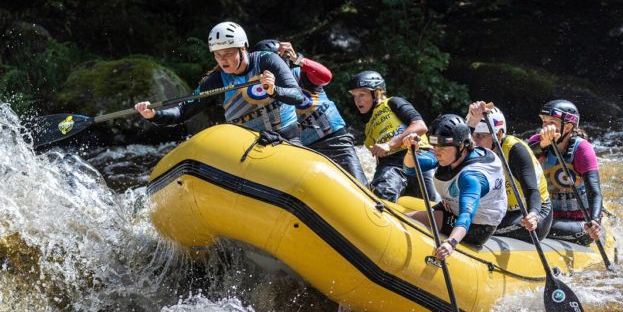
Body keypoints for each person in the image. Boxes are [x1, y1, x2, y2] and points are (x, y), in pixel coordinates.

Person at [135, 22, 305, 140]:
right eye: (218, 55)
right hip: (249, 147)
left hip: (286, 139)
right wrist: (154, 115)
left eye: (228, 54)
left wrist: (274, 90)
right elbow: (182, 112)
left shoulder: (267, 60)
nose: (223, 60)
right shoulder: (216, 81)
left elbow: (298, 96)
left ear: (243, 48)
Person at [251, 39, 368, 185]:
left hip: (333, 139)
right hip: (306, 148)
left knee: (359, 186)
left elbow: (326, 76)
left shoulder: (299, 74)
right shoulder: (257, 89)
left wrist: (297, 59)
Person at [403, 114, 507, 260]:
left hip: (477, 226)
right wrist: (410, 150)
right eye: (435, 145)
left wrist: (451, 243)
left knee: (409, 222)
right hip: (451, 207)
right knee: (404, 219)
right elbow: (410, 168)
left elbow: (466, 215)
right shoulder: (450, 153)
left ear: (462, 146)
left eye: (442, 147)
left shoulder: (471, 177)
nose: (437, 151)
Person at [465, 101, 553, 242]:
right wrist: (471, 121)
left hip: (533, 213)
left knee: (474, 229)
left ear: (498, 135)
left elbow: (532, 191)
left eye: (480, 136)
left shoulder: (515, 150)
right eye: (473, 136)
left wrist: (533, 214)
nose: (474, 142)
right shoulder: (474, 150)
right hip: (501, 212)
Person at [347, 71, 436, 202]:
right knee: (381, 194)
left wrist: (389, 144)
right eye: (354, 96)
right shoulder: (368, 127)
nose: (357, 100)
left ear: (376, 93)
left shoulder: (392, 103)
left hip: (418, 154)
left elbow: (420, 126)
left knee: (434, 201)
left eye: (362, 94)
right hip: (391, 163)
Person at [528, 99, 604, 246]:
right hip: (548, 217)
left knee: (583, 232)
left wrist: (595, 220)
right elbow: (522, 165)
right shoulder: (536, 142)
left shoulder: (582, 149)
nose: (546, 128)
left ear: (568, 127)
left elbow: (594, 191)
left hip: (579, 222)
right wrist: (543, 145)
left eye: (552, 123)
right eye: (544, 122)